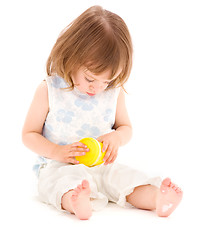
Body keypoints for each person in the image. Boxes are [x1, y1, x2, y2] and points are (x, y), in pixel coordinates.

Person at [22, 5, 183, 220]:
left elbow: (125, 128)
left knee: (124, 178)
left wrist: (116, 137)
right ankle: (76, 201)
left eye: (106, 81)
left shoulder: (113, 93)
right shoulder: (50, 89)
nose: (97, 88)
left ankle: (156, 198)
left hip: (102, 165)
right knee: (59, 184)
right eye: (90, 78)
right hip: (59, 165)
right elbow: (29, 134)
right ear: (71, 56)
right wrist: (57, 152)